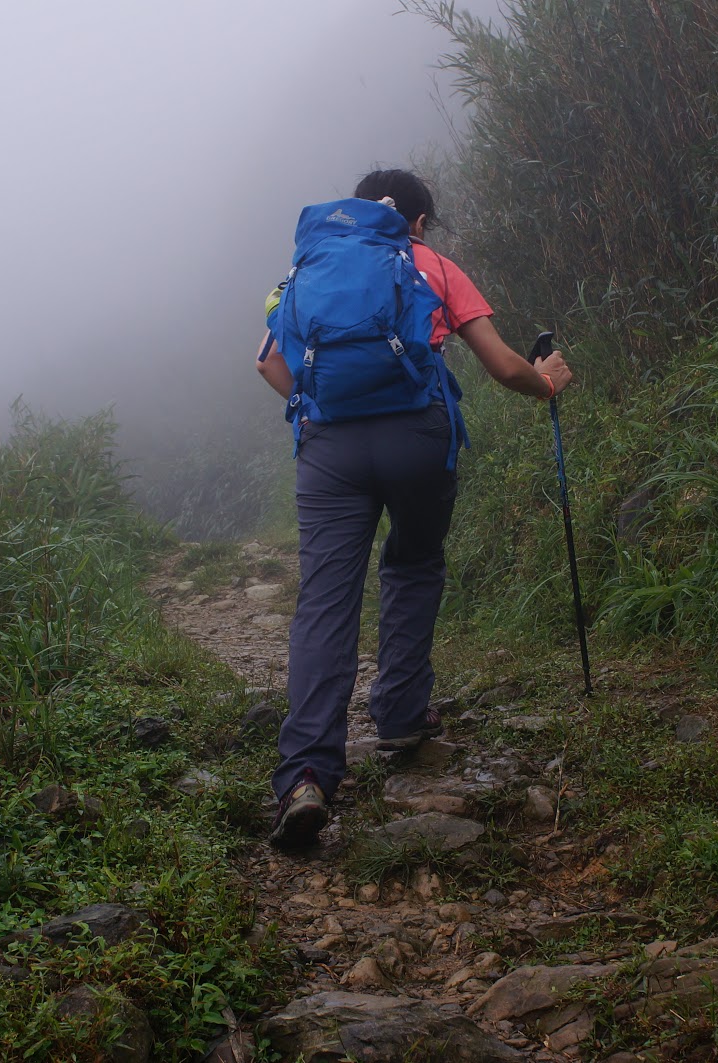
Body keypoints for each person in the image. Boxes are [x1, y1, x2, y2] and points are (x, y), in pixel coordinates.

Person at [256, 168, 572, 848]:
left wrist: (314, 412)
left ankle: (306, 774)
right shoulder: (431, 264)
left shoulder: (307, 267)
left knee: (326, 599)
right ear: (417, 222)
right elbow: (503, 366)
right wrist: (546, 383)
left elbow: (269, 363)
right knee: (414, 560)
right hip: (417, 439)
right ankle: (400, 713)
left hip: (329, 447)